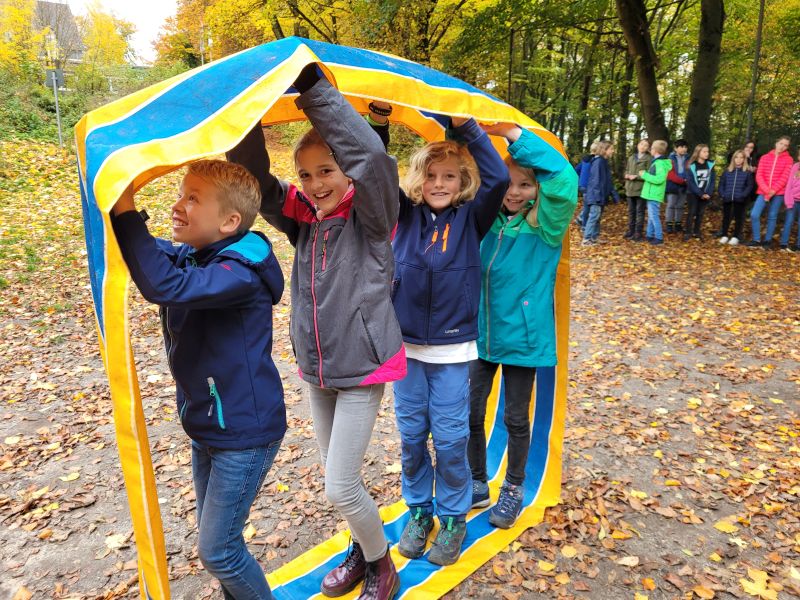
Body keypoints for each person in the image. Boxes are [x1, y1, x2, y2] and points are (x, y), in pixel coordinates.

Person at [227, 65, 404, 600]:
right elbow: (257, 183)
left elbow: (373, 160)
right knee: (339, 479)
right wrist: (246, 109)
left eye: (326, 170)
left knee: (339, 485)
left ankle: (381, 566)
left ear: (347, 173)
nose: (314, 184)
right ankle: (361, 546)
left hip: (361, 369)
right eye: (304, 174)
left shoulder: (372, 217)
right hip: (318, 369)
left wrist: (314, 91)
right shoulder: (304, 217)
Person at [110, 162, 286, 599]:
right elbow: (146, 253)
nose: (178, 206)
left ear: (229, 222)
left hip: (245, 432)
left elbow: (163, 285)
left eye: (193, 198)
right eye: (181, 193)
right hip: (208, 427)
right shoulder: (196, 254)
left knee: (219, 552)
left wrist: (127, 211)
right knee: (225, 543)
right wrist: (116, 208)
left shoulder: (240, 273)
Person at [386, 111, 507, 567]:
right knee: (412, 434)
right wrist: (378, 126)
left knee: (452, 437)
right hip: (407, 350)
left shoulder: (472, 218)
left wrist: (469, 128)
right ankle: (419, 510)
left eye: (450, 177)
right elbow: (375, 171)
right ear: (419, 179)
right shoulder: (404, 215)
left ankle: (453, 516)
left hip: (455, 351)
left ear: (462, 183)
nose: (440, 183)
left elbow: (496, 176)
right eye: (432, 175)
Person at [468, 123, 577, 529]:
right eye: (508, 183)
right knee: (469, 413)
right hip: (479, 335)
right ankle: (477, 481)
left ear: (537, 190)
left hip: (524, 339)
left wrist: (514, 134)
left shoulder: (544, 227)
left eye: (526, 185)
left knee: (516, 417)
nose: (514, 192)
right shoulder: (486, 222)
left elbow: (564, 179)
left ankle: (512, 487)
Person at [747, 135, 793, 249]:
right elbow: (759, 175)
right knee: (754, 214)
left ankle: (767, 241)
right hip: (763, 190)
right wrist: (767, 190)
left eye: (786, 145)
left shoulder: (789, 159)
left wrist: (773, 191)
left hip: (778, 192)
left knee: (772, 216)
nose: (782, 147)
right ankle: (756, 240)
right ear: (776, 143)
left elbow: (785, 177)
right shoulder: (765, 157)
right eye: (781, 143)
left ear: (787, 148)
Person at [582, 140, 617, 245]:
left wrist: (613, 195)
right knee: (594, 216)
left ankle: (594, 237)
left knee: (597, 217)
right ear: (604, 150)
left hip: (600, 195)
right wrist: (597, 196)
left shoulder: (603, 162)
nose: (613, 151)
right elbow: (595, 180)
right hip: (596, 195)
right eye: (611, 149)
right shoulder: (599, 162)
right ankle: (586, 239)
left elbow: (607, 181)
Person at [717, 150, 754, 246]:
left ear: (744, 159)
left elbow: (749, 186)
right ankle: (724, 235)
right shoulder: (727, 171)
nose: (738, 160)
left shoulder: (747, 172)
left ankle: (735, 237)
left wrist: (743, 195)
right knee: (726, 217)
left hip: (740, 199)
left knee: (739, 218)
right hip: (727, 198)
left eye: (741, 157)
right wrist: (723, 194)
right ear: (733, 159)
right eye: (736, 157)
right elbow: (721, 184)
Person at [639, 140, 672, 245]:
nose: (650, 150)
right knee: (651, 216)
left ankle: (659, 237)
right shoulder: (656, 162)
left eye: (651, 148)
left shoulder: (660, 164)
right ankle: (650, 235)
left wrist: (644, 175)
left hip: (655, 194)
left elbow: (659, 179)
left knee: (654, 216)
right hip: (651, 194)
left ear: (656, 150)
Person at [684, 144, 716, 241]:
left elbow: (712, 181)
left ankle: (696, 231)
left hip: (705, 194)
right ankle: (688, 232)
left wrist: (708, 193)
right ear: (698, 152)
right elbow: (690, 182)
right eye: (704, 151)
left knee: (700, 213)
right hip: (693, 194)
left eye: (707, 151)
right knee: (692, 212)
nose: (707, 154)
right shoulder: (692, 165)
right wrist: (700, 194)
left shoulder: (710, 165)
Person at [623, 139, 652, 240]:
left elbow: (649, 174)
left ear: (648, 148)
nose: (643, 147)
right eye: (641, 144)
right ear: (637, 145)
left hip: (641, 189)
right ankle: (631, 230)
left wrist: (637, 177)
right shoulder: (631, 157)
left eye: (646, 145)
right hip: (630, 188)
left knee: (640, 211)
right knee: (631, 211)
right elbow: (627, 169)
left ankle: (638, 232)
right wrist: (626, 175)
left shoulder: (649, 158)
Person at [665, 139, 689, 234]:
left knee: (680, 205)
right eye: (681, 147)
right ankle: (669, 224)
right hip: (673, 185)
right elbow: (670, 174)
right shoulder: (670, 159)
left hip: (684, 186)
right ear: (675, 148)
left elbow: (689, 171)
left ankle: (678, 224)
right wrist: (682, 181)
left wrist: (686, 180)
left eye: (685, 147)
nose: (684, 149)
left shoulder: (689, 158)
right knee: (671, 205)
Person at [779, 150, 800, 251]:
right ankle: (783, 244)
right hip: (793, 200)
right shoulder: (795, 166)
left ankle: (798, 245)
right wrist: (789, 201)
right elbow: (789, 185)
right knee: (789, 221)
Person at [575, 142, 598, 228]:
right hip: (588, 186)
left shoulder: (584, 160)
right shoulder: (594, 161)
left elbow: (576, 170)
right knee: (587, 206)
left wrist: (580, 179)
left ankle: (581, 219)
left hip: (581, 185)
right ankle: (583, 225)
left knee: (587, 204)